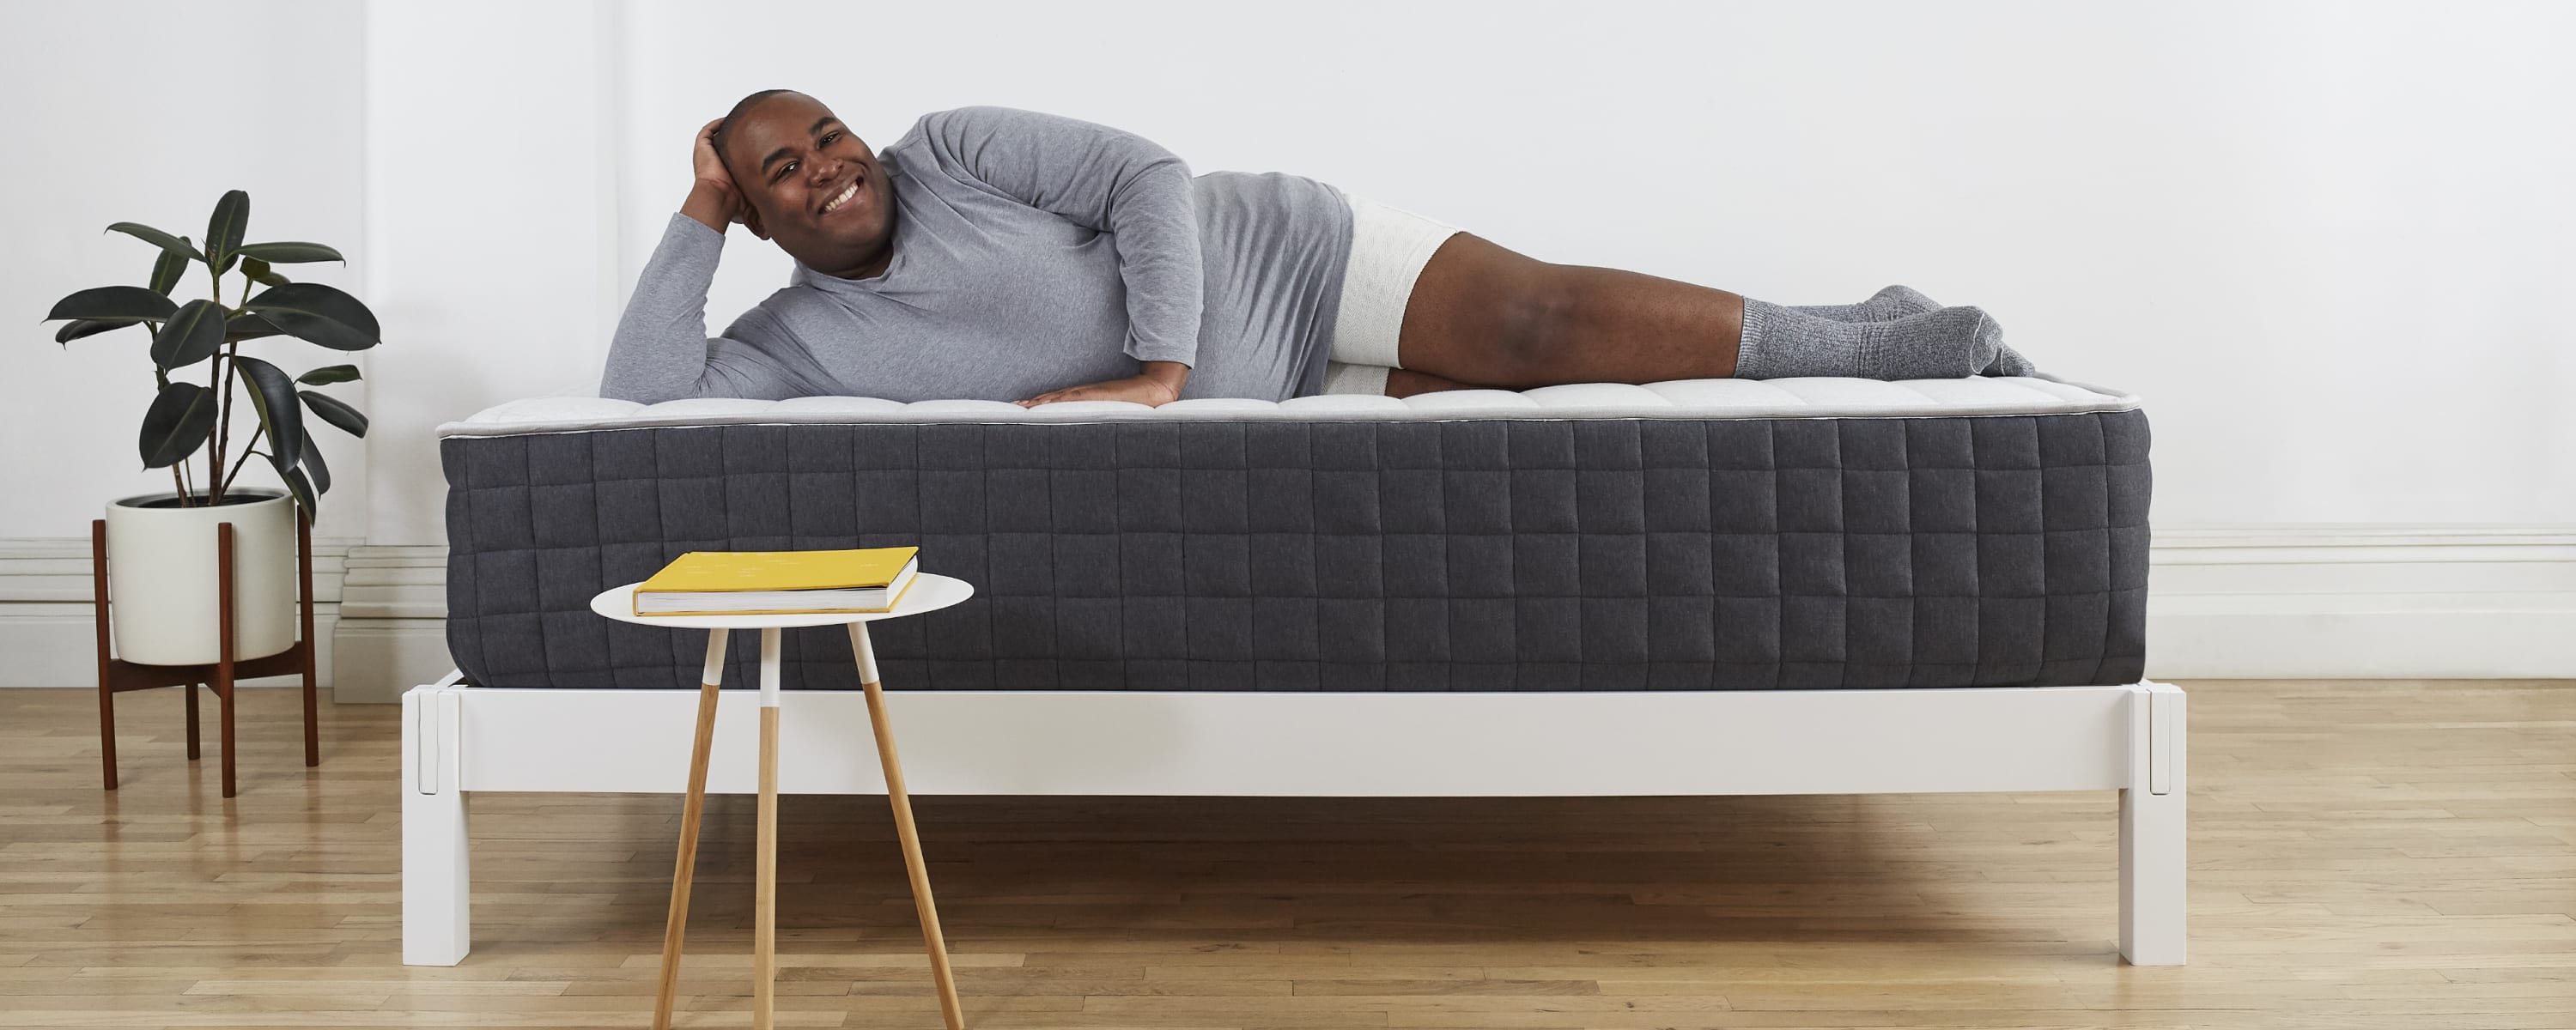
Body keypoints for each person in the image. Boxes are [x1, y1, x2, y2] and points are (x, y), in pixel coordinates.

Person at [604, 90, 2032, 409]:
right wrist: (693, 220)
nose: (831, 169)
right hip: (1280, 405)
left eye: (828, 136)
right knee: (1550, 404)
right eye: (782, 173)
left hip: (1288, 261)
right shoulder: (792, 343)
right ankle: (1854, 318)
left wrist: (1161, 365)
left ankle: (1884, 346)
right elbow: (646, 400)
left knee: (1538, 326)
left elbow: (1148, 176)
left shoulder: (955, 147)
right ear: (760, 216)